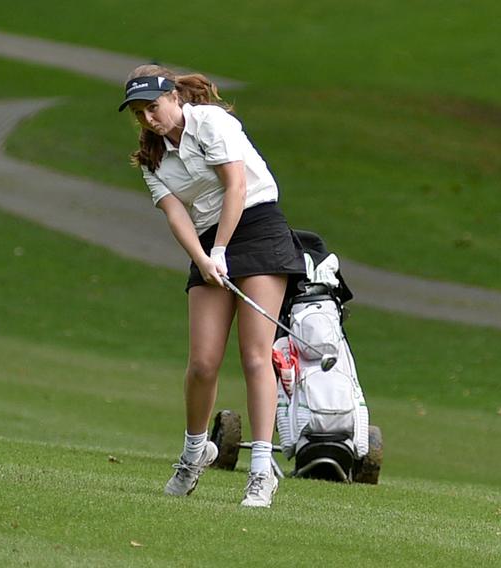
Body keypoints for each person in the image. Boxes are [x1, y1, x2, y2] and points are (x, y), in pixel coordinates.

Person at [118, 64, 305, 508]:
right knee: (202, 362)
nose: (148, 118)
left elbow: (236, 186)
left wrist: (221, 249)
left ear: (174, 97)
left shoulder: (212, 121)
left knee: (255, 355)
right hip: (206, 241)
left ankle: (261, 469)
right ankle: (194, 452)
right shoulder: (152, 158)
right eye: (140, 112)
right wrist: (204, 258)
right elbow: (176, 214)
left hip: (257, 227)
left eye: (154, 106)